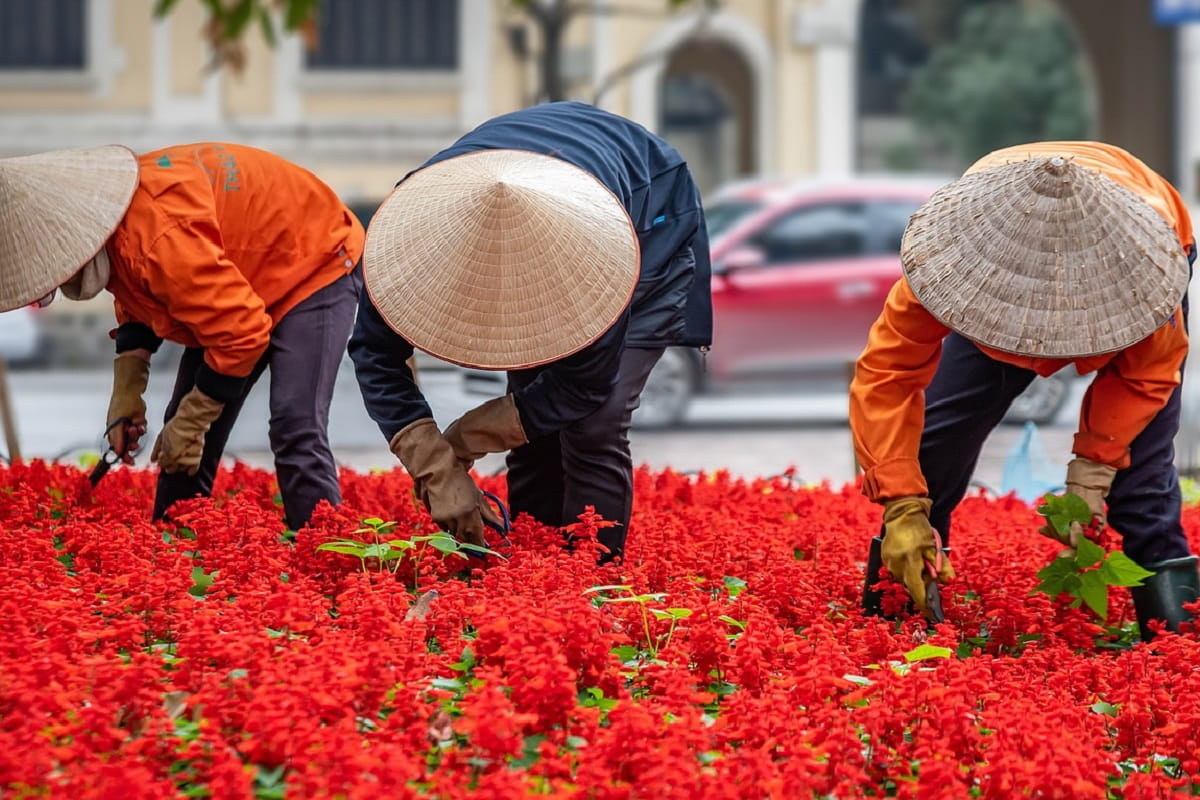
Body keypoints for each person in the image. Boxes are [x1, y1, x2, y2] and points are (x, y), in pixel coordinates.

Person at [852, 141, 1198, 639]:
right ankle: (902, 615)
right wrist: (902, 503)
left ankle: (1178, 643)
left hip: (1130, 242)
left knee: (1139, 478)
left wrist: (1093, 471)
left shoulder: (1146, 273)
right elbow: (887, 376)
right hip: (999, 258)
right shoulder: (951, 263)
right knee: (935, 444)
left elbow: (1145, 376)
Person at [349, 101, 711, 561]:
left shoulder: (591, 252)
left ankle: (590, 582)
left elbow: (584, 387)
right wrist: (435, 467)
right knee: (537, 428)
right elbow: (374, 354)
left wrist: (465, 438)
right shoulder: (406, 235)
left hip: (649, 217)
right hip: (545, 174)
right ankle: (529, 567)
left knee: (594, 425)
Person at [0, 143, 365, 530]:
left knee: (295, 424)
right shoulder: (119, 228)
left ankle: (326, 558)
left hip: (315, 259)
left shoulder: (157, 238)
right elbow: (136, 294)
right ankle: (176, 545)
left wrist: (192, 424)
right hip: (241, 280)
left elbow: (241, 333)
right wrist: (127, 392)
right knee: (183, 426)